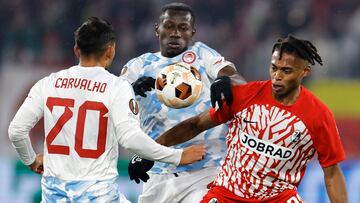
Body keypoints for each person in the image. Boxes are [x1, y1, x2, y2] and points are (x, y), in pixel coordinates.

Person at [8, 17, 206, 203]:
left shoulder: (48, 83)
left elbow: (16, 130)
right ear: (110, 50)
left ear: (77, 50)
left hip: (54, 197)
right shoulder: (115, 87)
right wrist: (177, 156)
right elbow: (130, 138)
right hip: (99, 196)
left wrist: (31, 160)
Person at [156, 35, 348, 203]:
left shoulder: (320, 115)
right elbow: (195, 125)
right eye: (274, 68)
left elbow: (331, 173)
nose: (277, 76)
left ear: (305, 71)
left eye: (286, 71)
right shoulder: (244, 95)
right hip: (227, 194)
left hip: (279, 198)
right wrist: (153, 149)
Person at [121, 2, 245, 203]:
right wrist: (131, 90)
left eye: (183, 28)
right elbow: (112, 106)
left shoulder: (202, 55)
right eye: (169, 26)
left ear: (192, 32)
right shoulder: (138, 66)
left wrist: (224, 79)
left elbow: (237, 78)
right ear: (157, 29)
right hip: (157, 173)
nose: (175, 33)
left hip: (205, 171)